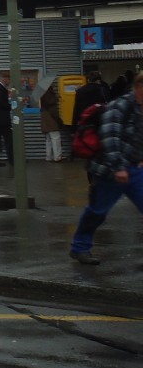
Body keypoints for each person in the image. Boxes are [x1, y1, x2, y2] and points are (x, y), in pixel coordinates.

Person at [69, 73, 143, 265]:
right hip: (110, 171)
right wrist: (119, 168)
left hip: (135, 170)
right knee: (97, 211)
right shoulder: (119, 106)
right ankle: (79, 248)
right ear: (139, 87)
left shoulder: (140, 108)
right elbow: (110, 138)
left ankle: (80, 247)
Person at [39, 84, 63, 162]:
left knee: (48, 139)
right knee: (56, 138)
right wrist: (59, 120)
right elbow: (54, 110)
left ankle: (49, 157)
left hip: (45, 117)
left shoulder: (42, 94)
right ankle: (57, 157)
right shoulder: (50, 96)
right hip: (51, 118)